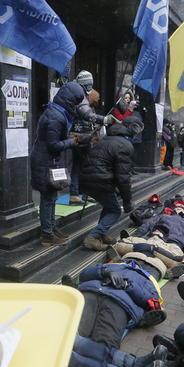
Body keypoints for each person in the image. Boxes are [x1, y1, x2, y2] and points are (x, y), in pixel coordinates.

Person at [62, 262, 167, 367]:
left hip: (120, 302)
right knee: (73, 337)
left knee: (102, 341)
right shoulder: (112, 265)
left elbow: (151, 301)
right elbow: (84, 274)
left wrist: (127, 285)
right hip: (90, 293)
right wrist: (104, 271)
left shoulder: (148, 280)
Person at [31, 81, 118, 246]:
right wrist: (72, 142)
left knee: (52, 196)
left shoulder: (58, 111)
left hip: (50, 160)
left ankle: (51, 227)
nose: (78, 105)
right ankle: (47, 234)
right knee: (48, 198)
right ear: (70, 100)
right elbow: (53, 144)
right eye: (77, 101)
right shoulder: (55, 116)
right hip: (44, 161)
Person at [79, 114, 138, 250]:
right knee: (115, 210)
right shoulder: (125, 145)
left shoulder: (108, 138)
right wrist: (127, 202)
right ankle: (93, 237)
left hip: (88, 178)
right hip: (99, 180)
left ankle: (102, 234)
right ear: (132, 130)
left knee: (109, 204)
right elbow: (123, 178)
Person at [68, 86, 99, 206]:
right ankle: (86, 192)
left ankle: (75, 193)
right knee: (87, 165)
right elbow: (87, 117)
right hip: (83, 137)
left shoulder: (76, 101)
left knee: (77, 164)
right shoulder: (83, 103)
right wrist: (102, 120)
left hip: (77, 136)